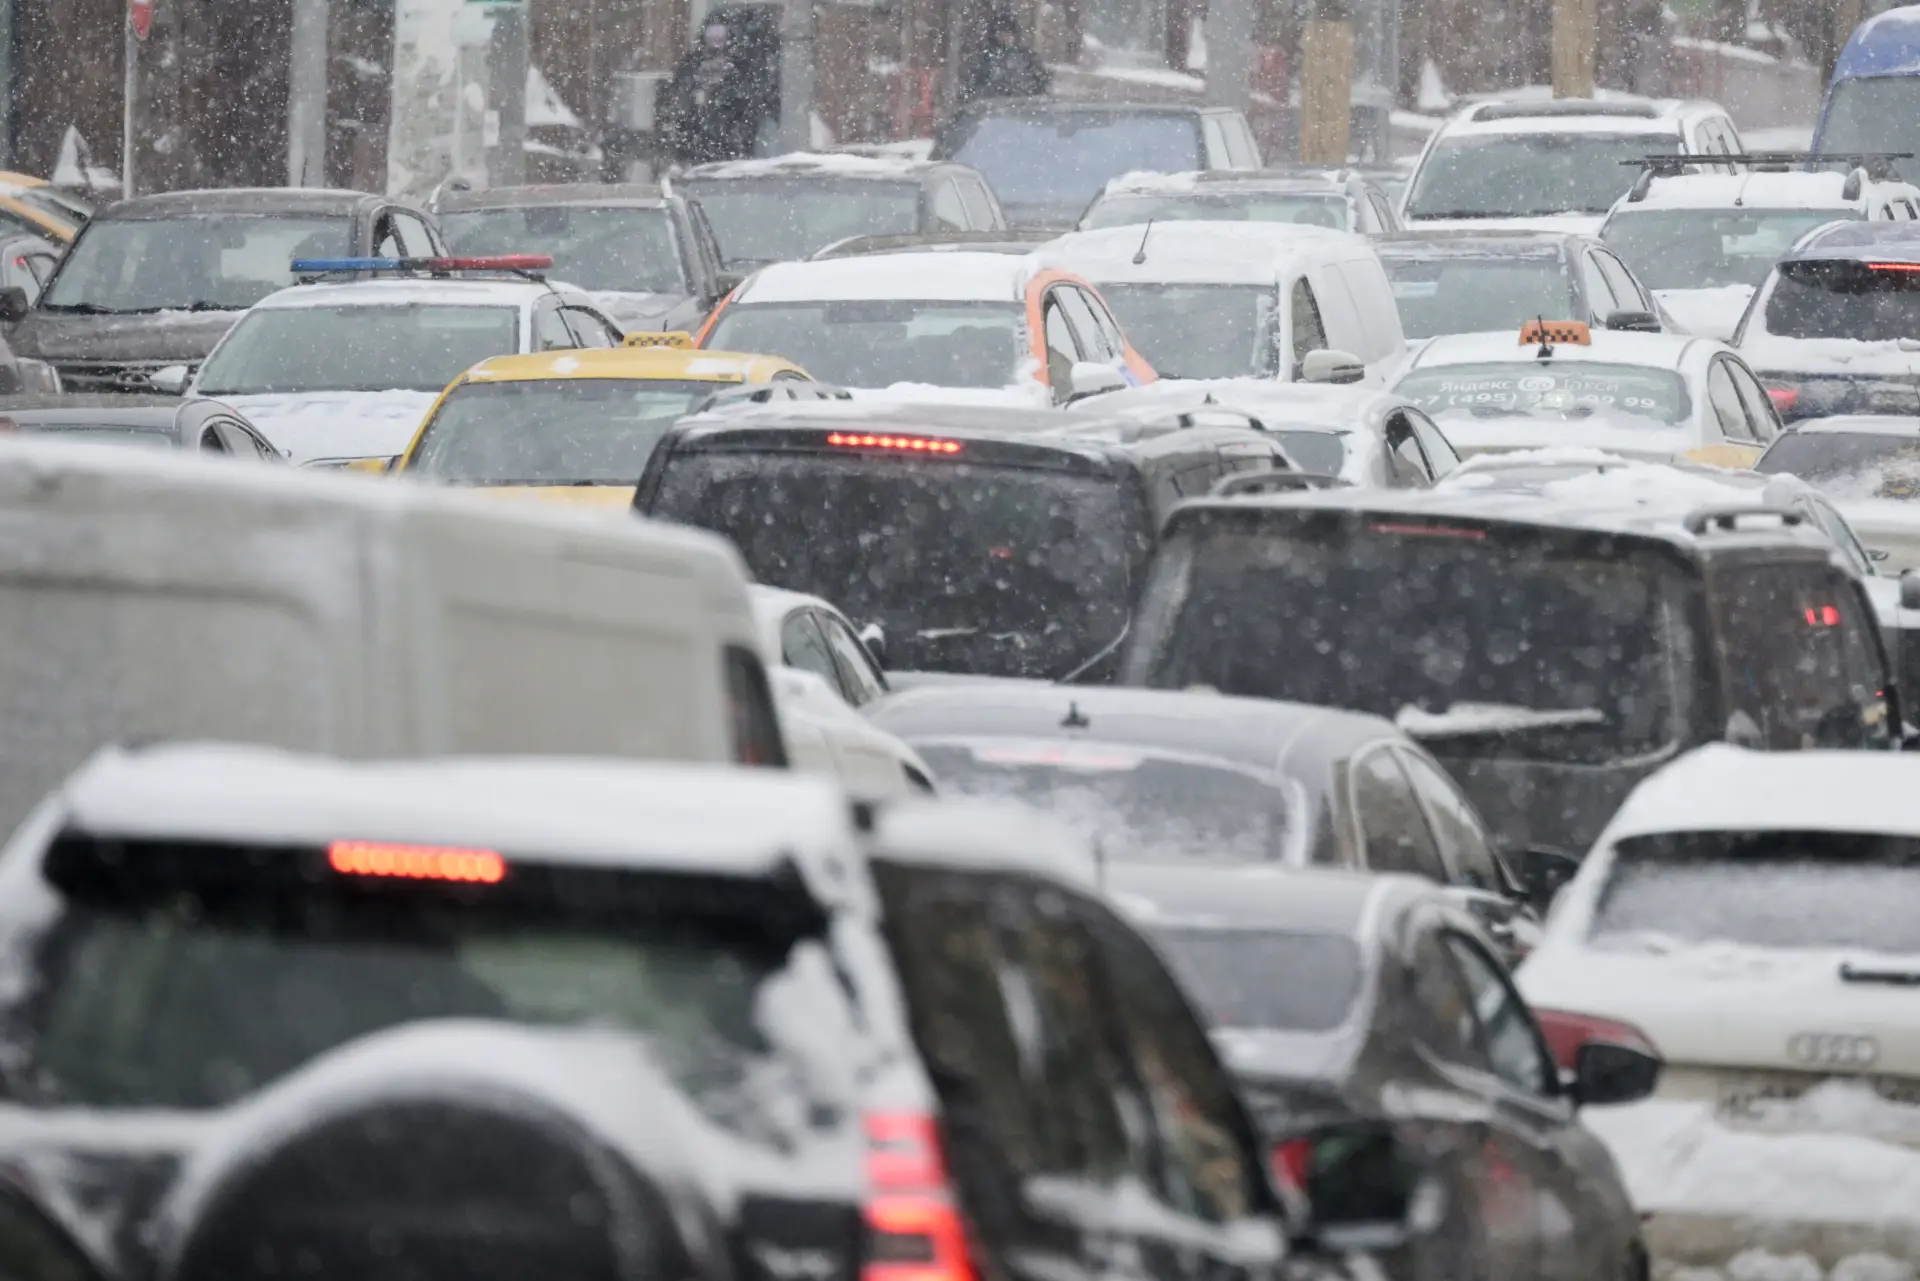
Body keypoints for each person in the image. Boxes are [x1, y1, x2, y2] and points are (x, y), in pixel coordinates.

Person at [656, 14, 777, 167]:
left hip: (730, 145)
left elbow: (748, 105)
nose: (716, 41)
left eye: (720, 35)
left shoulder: (741, 66)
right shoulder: (692, 64)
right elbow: (680, 101)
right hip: (698, 143)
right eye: (712, 35)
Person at [959, 6, 1051, 107]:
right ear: (994, 35)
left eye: (1008, 33)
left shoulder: (1028, 57)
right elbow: (972, 89)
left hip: (1023, 109)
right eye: (1001, 33)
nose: (1005, 36)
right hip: (990, 109)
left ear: (1014, 34)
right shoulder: (983, 58)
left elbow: (1042, 85)